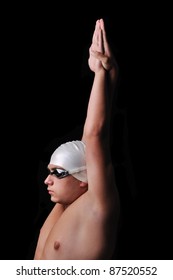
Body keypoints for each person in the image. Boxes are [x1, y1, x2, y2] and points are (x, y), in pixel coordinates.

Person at [34, 18, 120, 260]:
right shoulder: (64, 205)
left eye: (57, 172)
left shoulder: (97, 205)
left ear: (84, 178)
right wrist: (109, 75)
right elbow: (86, 145)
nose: (46, 181)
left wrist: (100, 73)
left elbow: (95, 135)